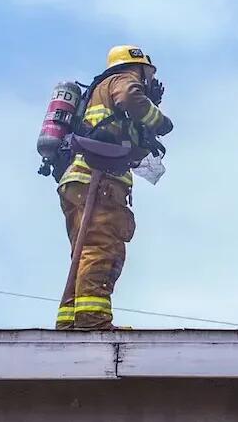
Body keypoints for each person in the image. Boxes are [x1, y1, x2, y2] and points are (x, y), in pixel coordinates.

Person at [56, 45, 172, 330]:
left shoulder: (99, 91)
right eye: (146, 72)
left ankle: (69, 320)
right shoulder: (121, 79)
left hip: (78, 180)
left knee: (83, 251)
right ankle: (92, 321)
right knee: (102, 250)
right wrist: (160, 120)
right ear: (138, 67)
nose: (147, 79)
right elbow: (130, 97)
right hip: (100, 181)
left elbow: (126, 132)